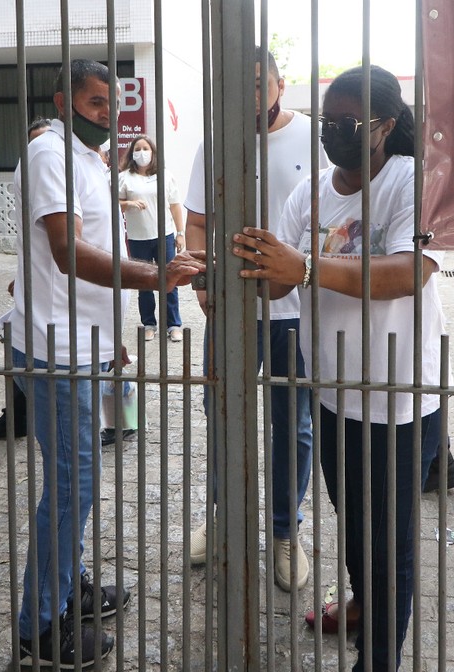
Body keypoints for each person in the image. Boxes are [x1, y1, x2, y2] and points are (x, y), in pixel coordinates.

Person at [231, 64, 454, 671]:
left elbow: (408, 272)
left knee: (390, 543)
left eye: (348, 122)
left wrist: (303, 267)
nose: (334, 131)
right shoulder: (310, 194)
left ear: (385, 125)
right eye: (328, 120)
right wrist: (230, 270)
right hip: (332, 393)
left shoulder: (412, 182)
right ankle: (364, 605)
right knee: (354, 521)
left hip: (399, 396)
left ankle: (378, 656)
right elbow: (275, 279)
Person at [11, 59, 202, 669]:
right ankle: (41, 625)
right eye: (95, 103)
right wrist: (156, 275)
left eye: (112, 104)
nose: (107, 114)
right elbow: (67, 252)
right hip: (54, 349)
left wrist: (111, 334)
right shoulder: (51, 155)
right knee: (73, 486)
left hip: (81, 341)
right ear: (64, 102)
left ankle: (72, 585)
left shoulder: (91, 160)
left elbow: (97, 247)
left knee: (76, 480)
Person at [183, 47, 322, 592]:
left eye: (259, 82)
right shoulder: (214, 144)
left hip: (295, 312)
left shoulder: (312, 139)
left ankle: (285, 532)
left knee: (295, 426)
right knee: (223, 415)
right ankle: (221, 520)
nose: (249, 94)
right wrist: (201, 281)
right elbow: (196, 223)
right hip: (231, 309)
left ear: (280, 84)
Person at [0, 117, 52, 442]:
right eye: (34, 145)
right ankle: (16, 419)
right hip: (39, 292)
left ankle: (120, 420)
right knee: (22, 349)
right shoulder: (30, 186)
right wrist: (22, 280)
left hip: (77, 300)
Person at [118, 134, 186, 343]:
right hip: (138, 238)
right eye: (137, 149)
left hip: (163, 235)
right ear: (131, 153)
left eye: (145, 148)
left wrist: (180, 233)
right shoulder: (124, 177)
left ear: (153, 152)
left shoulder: (165, 176)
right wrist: (129, 204)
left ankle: (173, 325)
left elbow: (175, 205)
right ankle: (149, 324)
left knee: (169, 281)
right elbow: (113, 202)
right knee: (144, 283)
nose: (142, 153)